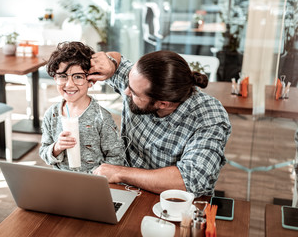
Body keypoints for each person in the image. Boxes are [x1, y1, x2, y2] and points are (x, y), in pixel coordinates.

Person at [88, 50, 232, 197]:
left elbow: (191, 179)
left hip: (174, 204)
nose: (126, 92)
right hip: (127, 193)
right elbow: (118, 61)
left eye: (134, 93)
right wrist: (110, 62)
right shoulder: (140, 81)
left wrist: (120, 173)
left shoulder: (209, 117)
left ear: (163, 104)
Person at [39, 41, 125, 173]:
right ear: (55, 78)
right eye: (62, 76)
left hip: (93, 183)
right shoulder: (52, 114)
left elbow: (116, 157)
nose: (69, 84)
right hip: (61, 181)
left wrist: (99, 177)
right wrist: (57, 147)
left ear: (91, 81)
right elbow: (44, 151)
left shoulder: (102, 118)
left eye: (78, 77)